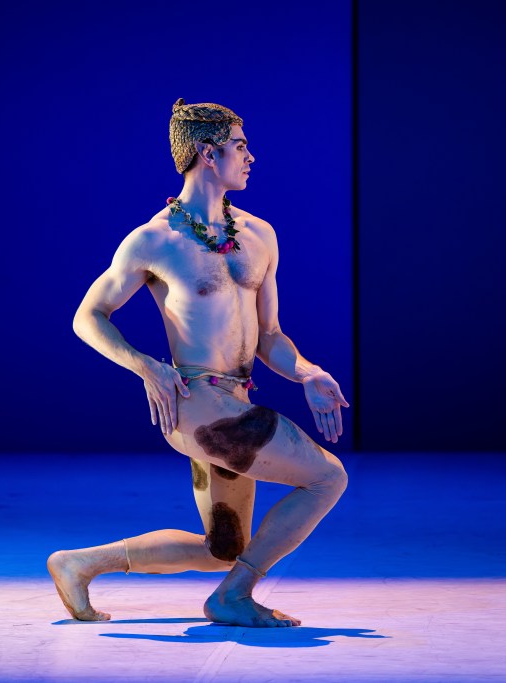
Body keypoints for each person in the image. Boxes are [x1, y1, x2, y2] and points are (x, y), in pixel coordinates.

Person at [48, 98, 349, 628]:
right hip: (198, 406)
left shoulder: (259, 236)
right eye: (240, 146)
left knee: (224, 548)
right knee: (328, 479)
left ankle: (79, 564)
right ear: (208, 154)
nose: (250, 156)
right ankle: (232, 598)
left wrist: (306, 371)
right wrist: (146, 365)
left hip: (235, 403)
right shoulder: (155, 239)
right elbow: (87, 316)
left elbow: (270, 337)